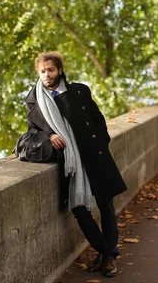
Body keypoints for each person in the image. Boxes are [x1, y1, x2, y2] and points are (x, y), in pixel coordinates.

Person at [24, 51, 128, 277]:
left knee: (107, 208)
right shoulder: (34, 100)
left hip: (94, 156)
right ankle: (107, 252)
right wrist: (50, 135)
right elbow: (33, 130)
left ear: (59, 70)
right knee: (79, 210)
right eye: (42, 71)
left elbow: (98, 119)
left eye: (50, 70)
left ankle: (108, 257)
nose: (47, 75)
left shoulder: (79, 91)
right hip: (70, 164)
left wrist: (102, 143)